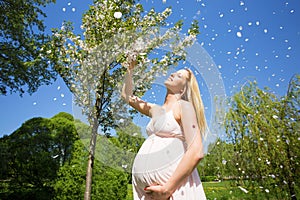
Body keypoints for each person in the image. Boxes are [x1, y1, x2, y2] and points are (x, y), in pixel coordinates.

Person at [122, 60, 207, 200]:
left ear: (183, 89)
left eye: (180, 76)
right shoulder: (156, 110)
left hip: (173, 192)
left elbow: (196, 152)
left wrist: (167, 189)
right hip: (150, 194)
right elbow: (127, 96)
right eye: (175, 72)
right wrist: (129, 70)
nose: (173, 74)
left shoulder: (184, 106)